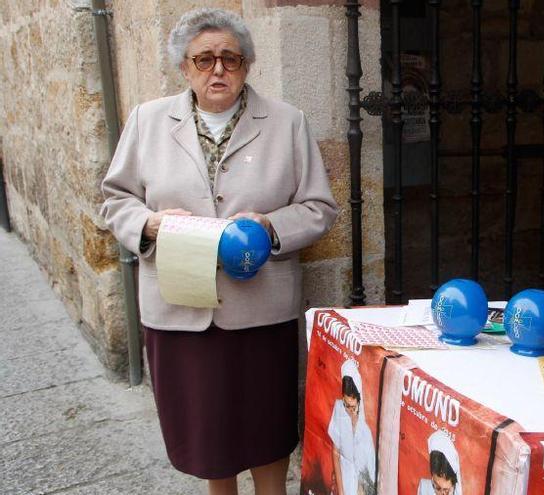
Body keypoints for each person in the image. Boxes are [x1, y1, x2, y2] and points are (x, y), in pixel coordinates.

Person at [100, 8, 338, 495]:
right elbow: (115, 199)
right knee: (208, 436)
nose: (218, 70)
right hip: (179, 307)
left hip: (260, 309)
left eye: (230, 58)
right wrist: (149, 224)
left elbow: (319, 208)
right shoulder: (147, 120)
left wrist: (270, 227)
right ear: (183, 67)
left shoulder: (288, 123)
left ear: (248, 64)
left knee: (266, 429)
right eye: (204, 59)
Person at [328, 360, 377, 495]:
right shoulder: (339, 409)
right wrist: (341, 489)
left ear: (359, 402)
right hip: (342, 482)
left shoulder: (365, 432)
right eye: (346, 405)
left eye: (353, 407)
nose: (349, 410)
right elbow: (336, 453)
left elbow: (370, 474)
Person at [418, 431, 461, 495]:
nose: (441, 494)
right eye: (438, 488)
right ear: (432, 478)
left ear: (454, 485)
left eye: (446, 491)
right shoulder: (424, 488)